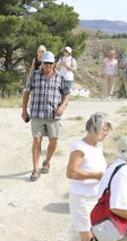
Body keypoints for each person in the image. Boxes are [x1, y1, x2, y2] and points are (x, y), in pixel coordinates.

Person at [65, 113, 112, 241]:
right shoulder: (79, 147)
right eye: (103, 129)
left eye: (107, 130)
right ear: (93, 128)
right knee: (87, 239)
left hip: (94, 198)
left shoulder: (98, 146)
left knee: (85, 239)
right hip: (81, 198)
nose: (105, 133)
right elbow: (70, 172)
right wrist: (95, 176)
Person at [21, 51, 70, 182]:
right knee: (36, 140)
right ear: (41, 63)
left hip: (53, 115)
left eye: (49, 64)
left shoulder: (59, 77)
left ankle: (47, 161)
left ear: (53, 64)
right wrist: (24, 110)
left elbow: (66, 94)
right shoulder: (34, 76)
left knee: (53, 140)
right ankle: (35, 169)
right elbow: (26, 93)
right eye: (45, 63)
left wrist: (62, 107)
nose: (47, 66)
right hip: (37, 114)